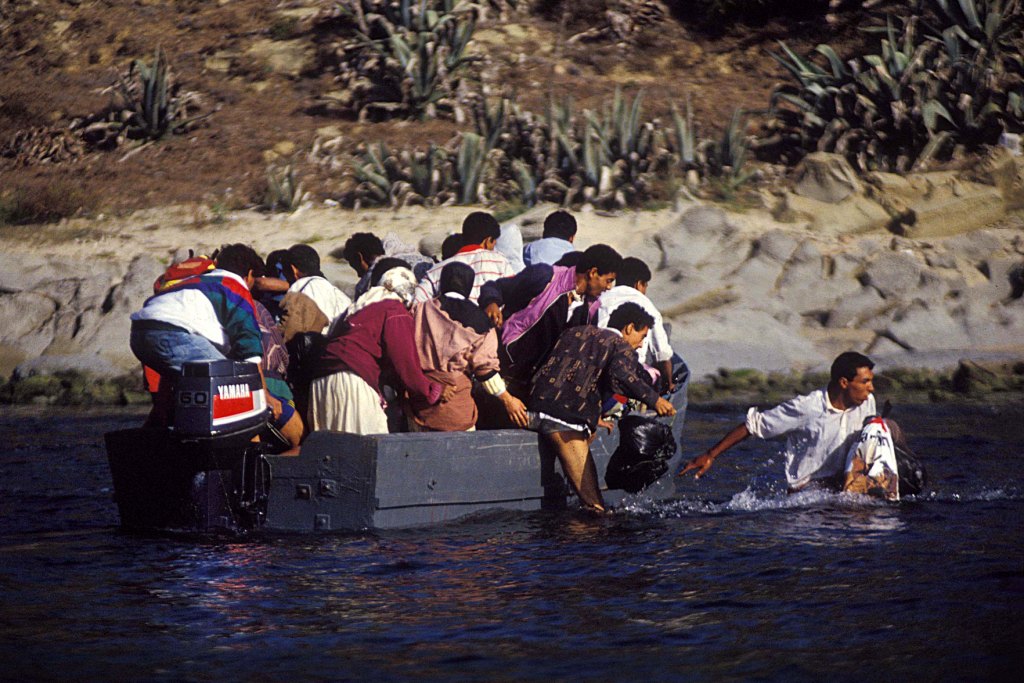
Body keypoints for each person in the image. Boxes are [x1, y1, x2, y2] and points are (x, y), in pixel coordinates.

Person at [529, 302, 676, 512]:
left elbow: (572, 374)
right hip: (561, 420)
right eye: (642, 336)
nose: (642, 344)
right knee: (595, 505)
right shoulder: (620, 345)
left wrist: (592, 416)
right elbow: (622, 376)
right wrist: (656, 400)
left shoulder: (574, 331)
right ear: (629, 328)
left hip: (535, 405)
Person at [680, 351, 878, 492]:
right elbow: (753, 425)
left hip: (845, 486)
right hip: (809, 494)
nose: (871, 388)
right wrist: (710, 455)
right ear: (844, 383)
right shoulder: (807, 407)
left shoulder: (867, 403)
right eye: (865, 382)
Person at [129, 243, 281, 424]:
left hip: (139, 334)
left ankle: (155, 432)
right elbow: (249, 346)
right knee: (233, 386)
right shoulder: (234, 286)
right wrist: (263, 393)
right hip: (172, 334)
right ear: (249, 275)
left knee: (173, 387)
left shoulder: (195, 281)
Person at [307, 261, 452, 435]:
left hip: (320, 382)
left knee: (331, 450)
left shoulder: (357, 307)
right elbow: (404, 361)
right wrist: (430, 390)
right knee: (365, 447)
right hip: (352, 381)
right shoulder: (394, 308)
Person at [478, 244, 622, 394]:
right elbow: (496, 287)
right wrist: (491, 303)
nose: (609, 287)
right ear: (593, 272)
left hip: (534, 386)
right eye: (608, 280)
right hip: (503, 367)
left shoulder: (589, 310)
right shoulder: (545, 277)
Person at [407, 262, 528, 431]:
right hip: (456, 409)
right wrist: (508, 400)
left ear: (442, 283)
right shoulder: (482, 323)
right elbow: (485, 371)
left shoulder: (419, 310)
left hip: (420, 404)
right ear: (470, 288)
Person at [597, 257, 677, 393]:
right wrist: (669, 384)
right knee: (653, 374)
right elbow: (662, 354)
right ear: (639, 284)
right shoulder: (647, 306)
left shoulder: (601, 298)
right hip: (629, 373)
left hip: (596, 364)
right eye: (645, 286)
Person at [413, 212, 516, 303]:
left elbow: (418, 303)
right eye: (494, 243)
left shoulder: (436, 270)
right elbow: (513, 295)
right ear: (487, 241)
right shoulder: (500, 261)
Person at [342, 232, 433, 301]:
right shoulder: (418, 258)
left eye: (355, 266)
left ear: (359, 258)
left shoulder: (366, 283)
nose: (358, 275)